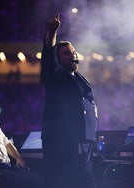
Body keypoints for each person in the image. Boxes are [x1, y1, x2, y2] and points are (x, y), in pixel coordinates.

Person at [40, 14, 99, 188]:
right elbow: (49, 59)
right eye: (67, 53)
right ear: (58, 59)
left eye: (73, 52)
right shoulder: (55, 76)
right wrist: (52, 33)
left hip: (83, 142)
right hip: (63, 143)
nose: (72, 55)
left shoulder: (80, 78)